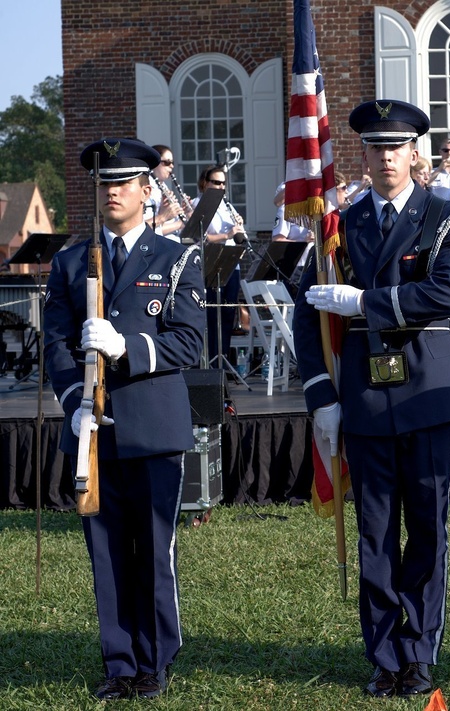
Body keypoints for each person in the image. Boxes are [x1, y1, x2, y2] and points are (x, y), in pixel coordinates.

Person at [293, 99, 450, 699]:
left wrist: (365, 304)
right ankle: (384, 654)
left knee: (426, 527)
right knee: (375, 532)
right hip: (365, 394)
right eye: (376, 147)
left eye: (396, 146)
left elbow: (448, 292)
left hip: (428, 390)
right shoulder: (339, 225)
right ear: (365, 156)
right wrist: (321, 394)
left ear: (415, 153)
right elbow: (307, 311)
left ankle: (420, 650)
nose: (386, 156)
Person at [43, 138, 206, 700]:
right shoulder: (69, 262)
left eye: (124, 181)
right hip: (93, 431)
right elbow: (58, 347)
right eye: (103, 182)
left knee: (154, 551)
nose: (112, 190)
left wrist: (127, 347)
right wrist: (74, 405)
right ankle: (120, 663)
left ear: (146, 189)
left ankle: (156, 660)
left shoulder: (176, 256)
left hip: (154, 425)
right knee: (107, 555)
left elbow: (190, 342)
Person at [192, 165, 246, 366]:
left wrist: (239, 229)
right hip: (213, 263)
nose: (220, 186)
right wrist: (227, 234)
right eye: (216, 182)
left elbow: (237, 235)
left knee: (228, 313)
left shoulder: (227, 205)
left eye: (223, 183)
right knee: (213, 315)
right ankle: (214, 363)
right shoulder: (199, 204)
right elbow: (200, 237)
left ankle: (225, 361)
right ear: (205, 183)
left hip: (232, 262)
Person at [146, 144, 189, 240]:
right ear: (154, 163)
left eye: (172, 162)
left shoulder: (163, 186)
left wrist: (184, 213)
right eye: (167, 162)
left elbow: (167, 223)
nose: (172, 166)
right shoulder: (145, 187)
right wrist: (180, 224)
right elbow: (144, 227)